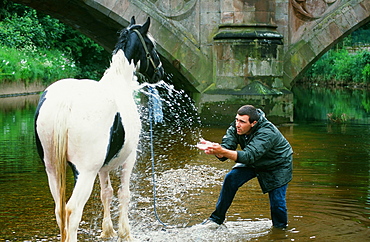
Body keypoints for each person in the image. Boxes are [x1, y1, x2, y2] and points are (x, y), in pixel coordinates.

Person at [197, 105, 293, 229]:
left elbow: (248, 156)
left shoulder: (267, 132)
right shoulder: (236, 127)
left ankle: (280, 231)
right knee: (231, 178)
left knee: (277, 203)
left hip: (277, 164)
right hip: (254, 159)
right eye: (237, 120)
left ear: (253, 123)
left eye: (242, 121)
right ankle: (216, 220)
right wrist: (216, 149)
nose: (237, 124)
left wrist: (222, 151)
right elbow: (226, 149)